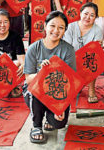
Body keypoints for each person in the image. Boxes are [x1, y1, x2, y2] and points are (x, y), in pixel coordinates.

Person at [23, 11, 75, 143]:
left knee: (59, 124)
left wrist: (61, 106)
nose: (56, 30)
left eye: (61, 28)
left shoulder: (68, 50)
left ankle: (50, 117)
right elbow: (28, 79)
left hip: (57, 91)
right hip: (36, 90)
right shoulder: (34, 48)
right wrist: (43, 72)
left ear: (65, 31)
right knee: (34, 89)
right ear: (45, 26)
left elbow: (70, 82)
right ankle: (36, 126)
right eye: (52, 26)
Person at [63, 2, 103, 103]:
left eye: (92, 15)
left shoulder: (98, 30)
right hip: (71, 57)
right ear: (80, 13)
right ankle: (74, 84)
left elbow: (95, 50)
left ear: (96, 18)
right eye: (85, 14)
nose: (88, 17)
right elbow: (67, 47)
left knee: (94, 58)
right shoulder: (71, 27)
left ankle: (91, 90)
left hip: (87, 60)